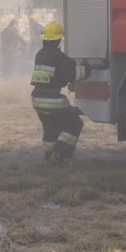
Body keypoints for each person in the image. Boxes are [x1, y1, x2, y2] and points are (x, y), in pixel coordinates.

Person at [30, 21, 91, 166]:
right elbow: (77, 73)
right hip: (53, 100)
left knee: (51, 126)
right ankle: (61, 154)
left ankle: (48, 155)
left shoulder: (39, 55)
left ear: (44, 39)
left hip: (37, 99)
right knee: (74, 124)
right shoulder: (60, 58)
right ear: (59, 40)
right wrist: (87, 66)